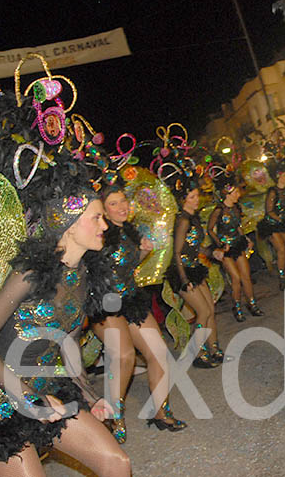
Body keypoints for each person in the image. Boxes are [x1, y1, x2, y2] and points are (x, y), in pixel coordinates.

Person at [0, 86, 132, 476]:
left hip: (48, 390)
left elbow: (67, 348)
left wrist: (90, 398)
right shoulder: (29, 274)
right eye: (96, 218)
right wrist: (28, 402)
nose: (105, 225)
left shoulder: (84, 274)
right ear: (67, 226)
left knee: (116, 462)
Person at [92, 181, 186, 441]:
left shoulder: (130, 231)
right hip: (103, 303)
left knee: (159, 353)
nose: (121, 207)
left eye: (123, 201)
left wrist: (143, 252)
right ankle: (114, 415)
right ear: (103, 210)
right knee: (123, 356)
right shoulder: (98, 234)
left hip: (130, 299)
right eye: (114, 203)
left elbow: (125, 265)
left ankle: (160, 411)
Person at [166, 173, 225, 368]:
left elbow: (193, 247)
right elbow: (176, 252)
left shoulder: (193, 218)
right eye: (192, 197)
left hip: (194, 268)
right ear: (183, 200)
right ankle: (197, 352)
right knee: (203, 311)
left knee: (211, 309)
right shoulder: (183, 220)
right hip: (181, 272)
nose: (196, 199)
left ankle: (213, 347)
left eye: (197, 195)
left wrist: (211, 252)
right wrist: (184, 279)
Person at [208, 174, 262, 322]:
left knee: (246, 276)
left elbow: (238, 226)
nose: (239, 194)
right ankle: (237, 307)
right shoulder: (218, 211)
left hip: (237, 245)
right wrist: (220, 244)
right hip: (225, 250)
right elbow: (210, 229)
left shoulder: (237, 208)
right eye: (236, 192)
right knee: (236, 278)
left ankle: (252, 304)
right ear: (227, 194)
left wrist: (245, 239)